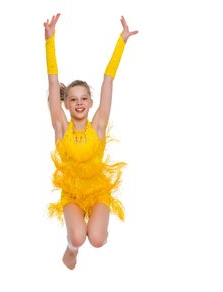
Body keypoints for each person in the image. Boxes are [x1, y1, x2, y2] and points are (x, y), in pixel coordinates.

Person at [44, 13, 138, 269]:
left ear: (91, 102)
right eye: (73, 99)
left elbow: (108, 81)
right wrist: (49, 42)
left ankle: (99, 229)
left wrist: (122, 42)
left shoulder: (98, 125)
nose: (79, 103)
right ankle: (71, 249)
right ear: (66, 104)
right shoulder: (61, 126)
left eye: (84, 98)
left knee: (96, 239)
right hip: (72, 192)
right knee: (78, 237)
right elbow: (53, 83)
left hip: (97, 191)